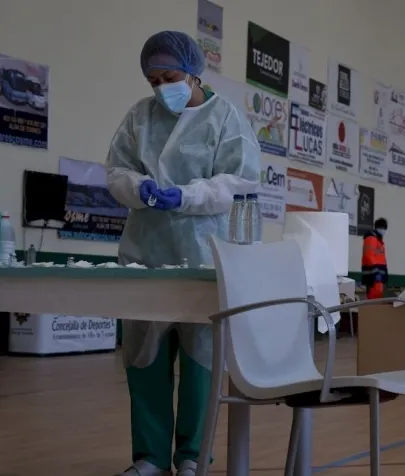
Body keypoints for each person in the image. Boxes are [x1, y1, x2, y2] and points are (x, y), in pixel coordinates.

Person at [105, 31, 261, 476]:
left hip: (203, 259)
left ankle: (193, 454)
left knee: (201, 363)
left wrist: (185, 196)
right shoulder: (140, 117)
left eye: (169, 77)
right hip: (145, 255)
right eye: (153, 80)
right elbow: (117, 170)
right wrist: (139, 188)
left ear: (193, 73)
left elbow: (239, 182)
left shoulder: (225, 118)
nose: (161, 88)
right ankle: (150, 458)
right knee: (144, 360)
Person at [361, 218, 388, 299]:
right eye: (382, 228)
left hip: (378, 275)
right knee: (373, 299)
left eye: (384, 228)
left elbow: (380, 258)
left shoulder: (378, 240)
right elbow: (368, 256)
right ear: (377, 228)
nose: (383, 230)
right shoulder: (371, 238)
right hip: (373, 275)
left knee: (377, 299)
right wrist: (376, 272)